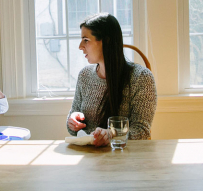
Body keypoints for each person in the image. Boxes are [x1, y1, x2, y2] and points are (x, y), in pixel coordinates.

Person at [66, 13, 157, 146]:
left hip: (125, 159)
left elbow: (142, 132)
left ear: (106, 41)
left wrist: (111, 135)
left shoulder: (141, 78)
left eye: (86, 40)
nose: (80, 46)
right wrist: (73, 122)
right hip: (88, 157)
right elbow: (72, 127)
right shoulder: (84, 76)